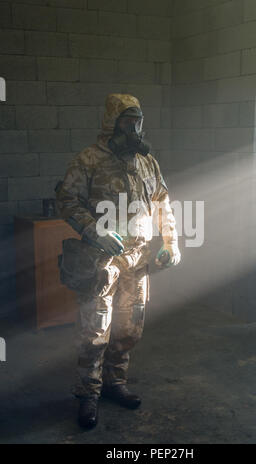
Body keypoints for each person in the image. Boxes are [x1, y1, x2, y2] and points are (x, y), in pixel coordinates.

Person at [56, 93, 181, 429]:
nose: (134, 128)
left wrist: (170, 240)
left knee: (129, 327)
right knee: (94, 332)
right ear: (111, 122)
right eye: (127, 121)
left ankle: (115, 383)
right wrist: (93, 230)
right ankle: (89, 393)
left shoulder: (147, 162)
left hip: (137, 259)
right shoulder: (89, 159)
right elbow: (67, 199)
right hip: (100, 260)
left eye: (138, 121)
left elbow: (162, 202)